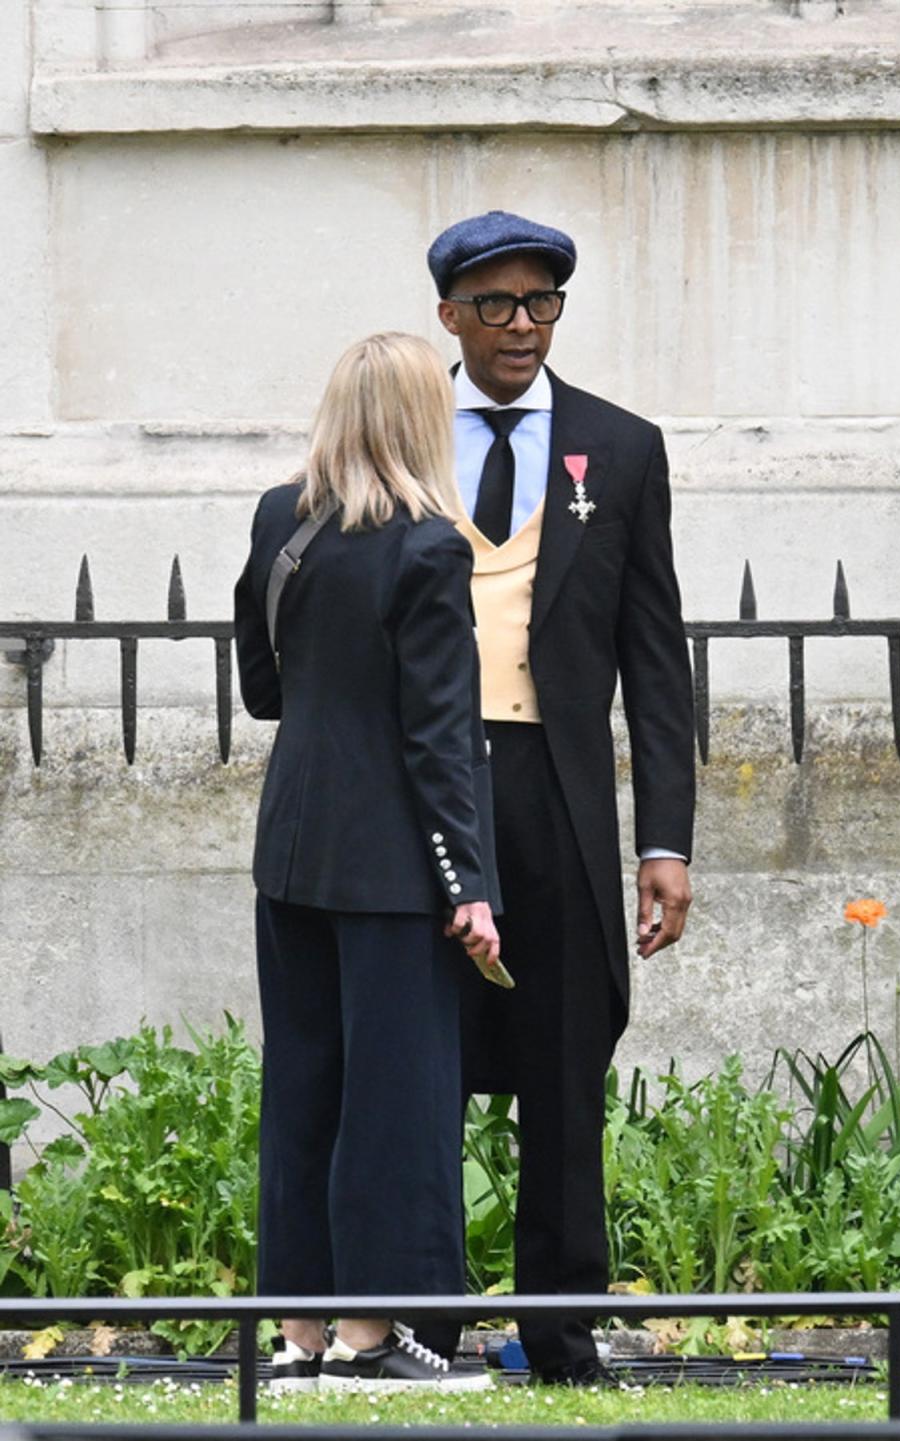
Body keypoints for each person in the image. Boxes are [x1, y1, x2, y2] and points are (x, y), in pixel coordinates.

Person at [419, 211, 696, 1386]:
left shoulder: (620, 448)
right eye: (496, 306)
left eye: (542, 304)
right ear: (450, 318)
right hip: (425, 789)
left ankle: (559, 1324)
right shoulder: (401, 438)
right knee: (419, 1053)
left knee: (566, 1056)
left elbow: (655, 656)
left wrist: (667, 839)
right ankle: (418, 1315)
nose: (523, 327)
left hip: (559, 792)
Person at [233, 332, 501, 1391]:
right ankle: (383, 1337)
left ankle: (299, 1334)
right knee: (399, 1100)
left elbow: (261, 686)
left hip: (292, 846)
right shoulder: (430, 546)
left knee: (304, 1089)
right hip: (394, 864)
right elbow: (440, 733)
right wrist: (468, 881)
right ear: (420, 419)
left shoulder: (277, 517)